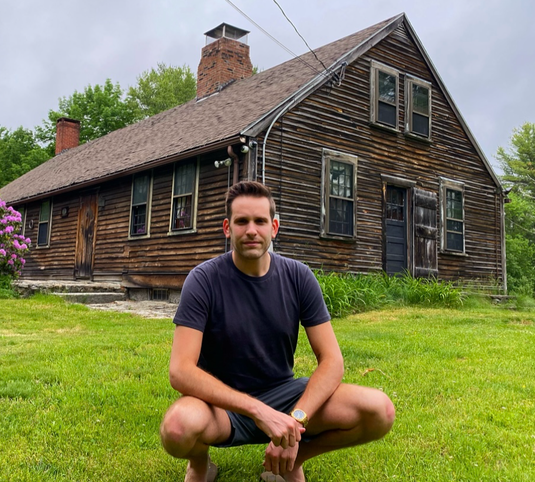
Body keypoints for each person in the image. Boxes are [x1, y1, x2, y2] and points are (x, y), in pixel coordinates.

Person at [160, 181, 395, 482]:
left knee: (380, 411)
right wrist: (258, 411)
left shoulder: (298, 277)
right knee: (177, 427)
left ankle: (291, 461)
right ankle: (200, 464)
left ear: (274, 227)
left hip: (285, 397)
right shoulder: (203, 280)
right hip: (220, 405)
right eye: (241, 221)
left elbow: (332, 361)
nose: (251, 230)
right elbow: (180, 371)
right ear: (227, 228)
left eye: (260, 221)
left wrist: (295, 424)